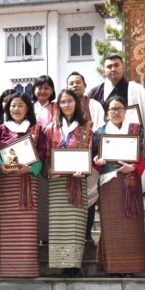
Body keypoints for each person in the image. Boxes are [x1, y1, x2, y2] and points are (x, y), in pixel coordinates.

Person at [91, 96, 145, 276]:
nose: (116, 112)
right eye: (112, 109)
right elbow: (93, 157)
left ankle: (132, 267)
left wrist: (133, 167)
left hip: (131, 179)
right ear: (107, 112)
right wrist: (97, 160)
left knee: (132, 224)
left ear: (125, 110)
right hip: (109, 182)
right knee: (111, 225)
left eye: (120, 108)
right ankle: (114, 268)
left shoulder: (136, 129)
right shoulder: (100, 132)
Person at [0, 92, 45, 278]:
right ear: (7, 108)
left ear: (28, 108)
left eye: (21, 105)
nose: (16, 109)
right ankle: (5, 270)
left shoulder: (36, 129)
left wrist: (30, 168)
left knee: (27, 228)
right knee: (5, 228)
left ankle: (26, 269)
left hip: (27, 183)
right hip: (6, 184)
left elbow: (43, 154)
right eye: (13, 105)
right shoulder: (1, 129)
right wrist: (0, 165)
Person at [43, 89, 94, 277]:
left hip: (77, 182)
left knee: (75, 226)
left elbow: (90, 152)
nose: (66, 105)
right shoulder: (50, 128)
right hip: (57, 183)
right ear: (58, 105)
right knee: (59, 225)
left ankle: (75, 266)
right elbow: (45, 154)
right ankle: (63, 265)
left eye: (70, 101)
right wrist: (49, 169)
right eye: (63, 102)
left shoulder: (86, 127)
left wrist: (85, 169)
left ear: (77, 103)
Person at [66, 71, 105, 246]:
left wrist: (87, 144)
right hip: (68, 160)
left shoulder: (94, 105)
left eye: (78, 82)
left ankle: (87, 235)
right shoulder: (64, 104)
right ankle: (71, 235)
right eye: (71, 83)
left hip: (89, 157)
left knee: (89, 197)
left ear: (85, 85)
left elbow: (100, 128)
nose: (75, 85)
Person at [87, 54, 145, 127]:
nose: (113, 69)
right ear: (104, 71)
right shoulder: (95, 92)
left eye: (116, 65)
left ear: (123, 68)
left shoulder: (136, 90)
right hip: (103, 133)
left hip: (131, 133)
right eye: (109, 67)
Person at [32, 74, 56, 246]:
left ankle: (49, 236)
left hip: (51, 154)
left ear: (52, 90)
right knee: (37, 195)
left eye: (47, 88)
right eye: (39, 87)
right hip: (32, 155)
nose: (43, 91)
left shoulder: (57, 107)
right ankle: (36, 235)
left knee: (49, 196)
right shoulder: (28, 106)